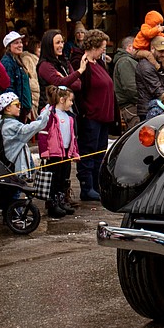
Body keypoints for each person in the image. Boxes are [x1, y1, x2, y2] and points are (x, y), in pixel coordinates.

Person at [72, 28, 114, 202]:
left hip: (103, 116)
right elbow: (79, 90)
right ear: (94, 46)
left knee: (100, 152)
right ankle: (87, 187)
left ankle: (96, 186)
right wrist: (85, 111)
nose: (104, 50)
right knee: (88, 151)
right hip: (91, 116)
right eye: (102, 47)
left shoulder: (99, 63)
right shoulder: (80, 62)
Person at [36, 85, 79, 219]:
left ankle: (62, 200)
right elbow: (43, 134)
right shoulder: (49, 114)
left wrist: (74, 152)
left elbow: (73, 136)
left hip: (65, 152)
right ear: (62, 100)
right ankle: (52, 203)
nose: (71, 103)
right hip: (53, 153)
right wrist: (44, 151)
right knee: (53, 179)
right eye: (70, 101)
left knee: (64, 177)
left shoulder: (69, 117)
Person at [135, 36, 164, 119]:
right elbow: (157, 90)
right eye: (161, 51)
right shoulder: (145, 66)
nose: (163, 54)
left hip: (161, 107)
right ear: (152, 49)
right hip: (149, 110)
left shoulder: (159, 64)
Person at [36, 29, 83, 109]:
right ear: (49, 45)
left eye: (62, 42)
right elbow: (60, 83)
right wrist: (80, 71)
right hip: (51, 111)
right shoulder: (44, 66)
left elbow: (78, 84)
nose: (61, 45)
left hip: (67, 107)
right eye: (58, 43)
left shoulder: (64, 61)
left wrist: (66, 80)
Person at [0, 31, 34, 121]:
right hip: (15, 110)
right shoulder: (7, 62)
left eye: (20, 42)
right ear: (8, 46)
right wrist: (15, 106)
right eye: (16, 43)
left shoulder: (18, 60)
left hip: (23, 108)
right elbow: (8, 87)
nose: (20, 45)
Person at [113, 37, 141, 132]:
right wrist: (141, 100)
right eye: (137, 47)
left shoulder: (128, 61)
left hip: (133, 106)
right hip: (131, 107)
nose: (140, 50)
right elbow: (130, 87)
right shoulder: (125, 62)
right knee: (137, 135)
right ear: (130, 47)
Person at [21, 34, 42, 113]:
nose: (41, 49)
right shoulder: (28, 59)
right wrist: (39, 88)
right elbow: (30, 79)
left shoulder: (39, 59)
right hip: (34, 97)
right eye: (39, 47)